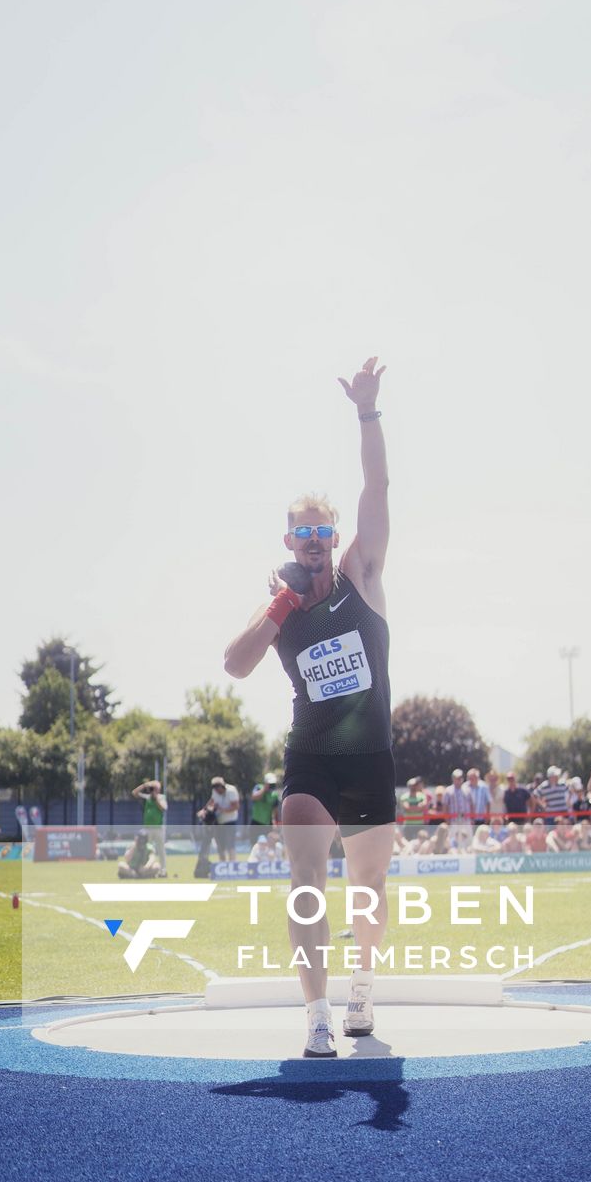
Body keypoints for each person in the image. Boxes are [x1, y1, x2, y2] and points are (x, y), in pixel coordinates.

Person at [223, 356, 394, 1058]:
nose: (317, 540)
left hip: (372, 758)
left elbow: (378, 488)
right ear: (288, 542)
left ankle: (362, 983)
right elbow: (234, 664)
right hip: (311, 762)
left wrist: (367, 411)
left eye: (325, 530)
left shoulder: (364, 574)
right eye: (304, 531)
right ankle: (317, 1012)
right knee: (305, 881)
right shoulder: (282, 606)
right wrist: (278, 604)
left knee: (369, 889)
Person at [131, 779, 168, 875]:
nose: (153, 790)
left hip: (158, 829)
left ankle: (163, 870)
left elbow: (163, 808)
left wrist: (156, 799)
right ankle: (145, 868)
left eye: (155, 789)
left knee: (161, 850)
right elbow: (134, 793)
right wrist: (144, 785)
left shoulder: (161, 797)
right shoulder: (147, 798)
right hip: (148, 829)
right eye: (152, 789)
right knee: (146, 849)